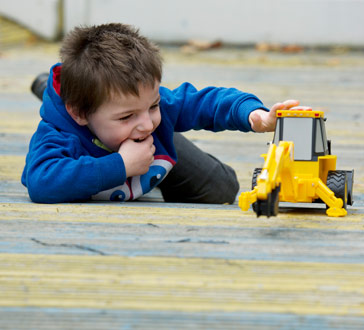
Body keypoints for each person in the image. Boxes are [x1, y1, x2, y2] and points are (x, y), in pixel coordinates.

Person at [22, 23, 300, 204]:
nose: (146, 123)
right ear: (80, 113)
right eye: (126, 116)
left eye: (152, 105)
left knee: (221, 189)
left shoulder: (152, 114)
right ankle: (50, 89)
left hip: (154, 149)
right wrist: (120, 166)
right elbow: (41, 181)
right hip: (90, 131)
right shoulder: (58, 135)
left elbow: (207, 101)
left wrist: (255, 115)